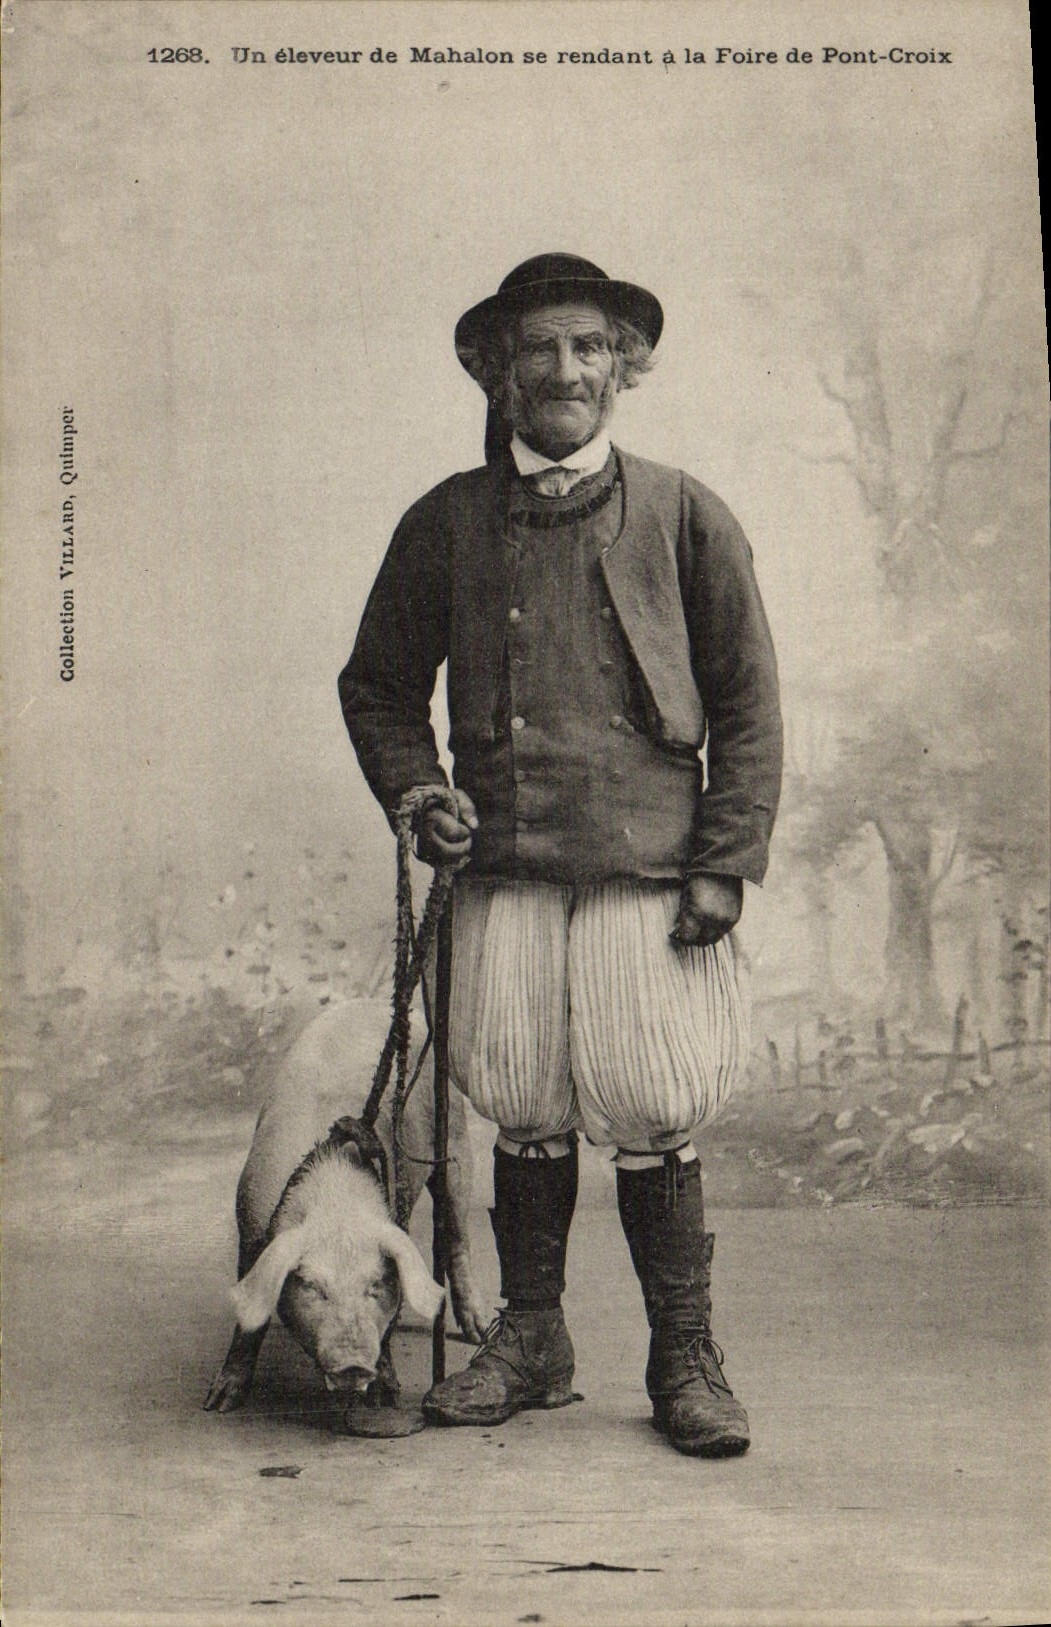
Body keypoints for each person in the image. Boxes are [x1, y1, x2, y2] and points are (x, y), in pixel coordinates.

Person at [339, 254, 782, 1457]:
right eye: (538, 348)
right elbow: (378, 687)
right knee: (522, 1105)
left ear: (624, 367)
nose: (565, 369)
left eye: (589, 346)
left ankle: (684, 1356)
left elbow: (748, 700)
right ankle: (531, 1339)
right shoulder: (444, 522)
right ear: (499, 370)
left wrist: (723, 860)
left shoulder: (685, 512)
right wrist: (419, 791)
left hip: (653, 875)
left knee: (652, 1105)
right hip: (506, 871)